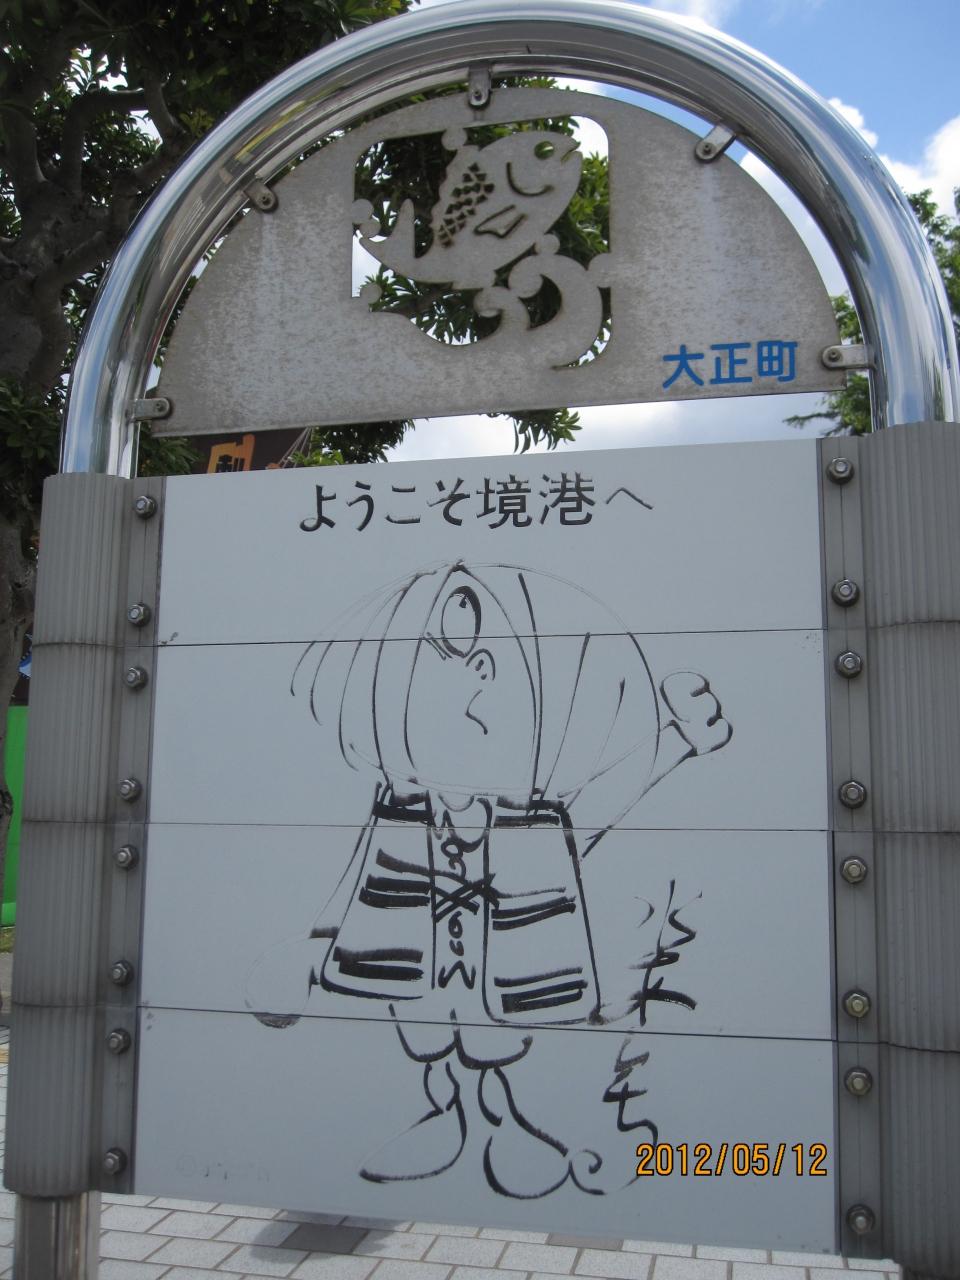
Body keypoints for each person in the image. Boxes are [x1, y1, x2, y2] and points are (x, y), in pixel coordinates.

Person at [246, 561, 731, 1197]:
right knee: (431, 1042)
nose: (478, 678)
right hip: (414, 964)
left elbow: (593, 819)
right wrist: (314, 947)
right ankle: (445, 1115)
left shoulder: (530, 820)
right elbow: (354, 880)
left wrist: (671, 742)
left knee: (492, 1043)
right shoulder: (398, 813)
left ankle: (504, 1122)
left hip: (502, 964)